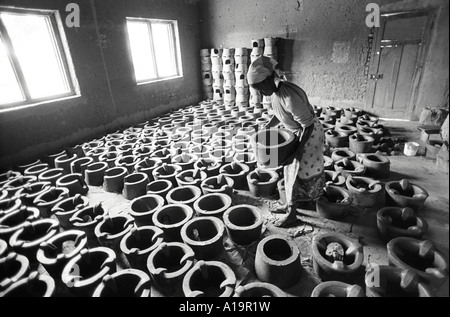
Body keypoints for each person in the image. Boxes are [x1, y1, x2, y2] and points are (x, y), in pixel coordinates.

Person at [247, 56, 325, 227]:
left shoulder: (289, 96)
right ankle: (287, 204)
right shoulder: (276, 93)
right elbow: (279, 113)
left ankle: (292, 214)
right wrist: (267, 127)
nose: (260, 93)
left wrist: (297, 149)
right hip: (299, 133)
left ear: (268, 79)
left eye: (259, 88)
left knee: (296, 174)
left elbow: (308, 125)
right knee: (289, 172)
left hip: (308, 137)